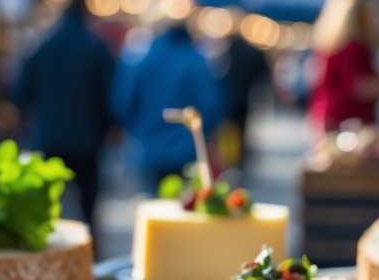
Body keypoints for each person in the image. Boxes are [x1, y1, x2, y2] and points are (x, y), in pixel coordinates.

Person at [11, 0, 115, 234]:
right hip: (87, 141)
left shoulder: (43, 45)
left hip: (49, 137)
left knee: (46, 210)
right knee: (89, 209)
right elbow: (110, 96)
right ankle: (89, 256)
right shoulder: (96, 46)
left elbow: (19, 93)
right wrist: (108, 129)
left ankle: (47, 256)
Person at [111, 19, 222, 193]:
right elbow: (211, 106)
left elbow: (122, 102)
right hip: (187, 150)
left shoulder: (143, 58)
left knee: (152, 209)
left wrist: (136, 130)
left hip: (147, 148)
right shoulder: (196, 61)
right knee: (183, 210)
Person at [307, 0, 379, 132]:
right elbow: (358, 87)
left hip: (326, 115)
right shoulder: (353, 46)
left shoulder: (329, 44)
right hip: (350, 121)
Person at [214, 26, 270, 169]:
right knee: (241, 127)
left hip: (228, 97)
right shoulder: (251, 50)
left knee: (227, 130)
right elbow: (263, 70)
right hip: (244, 96)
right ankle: (237, 158)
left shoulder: (225, 51)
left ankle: (228, 160)